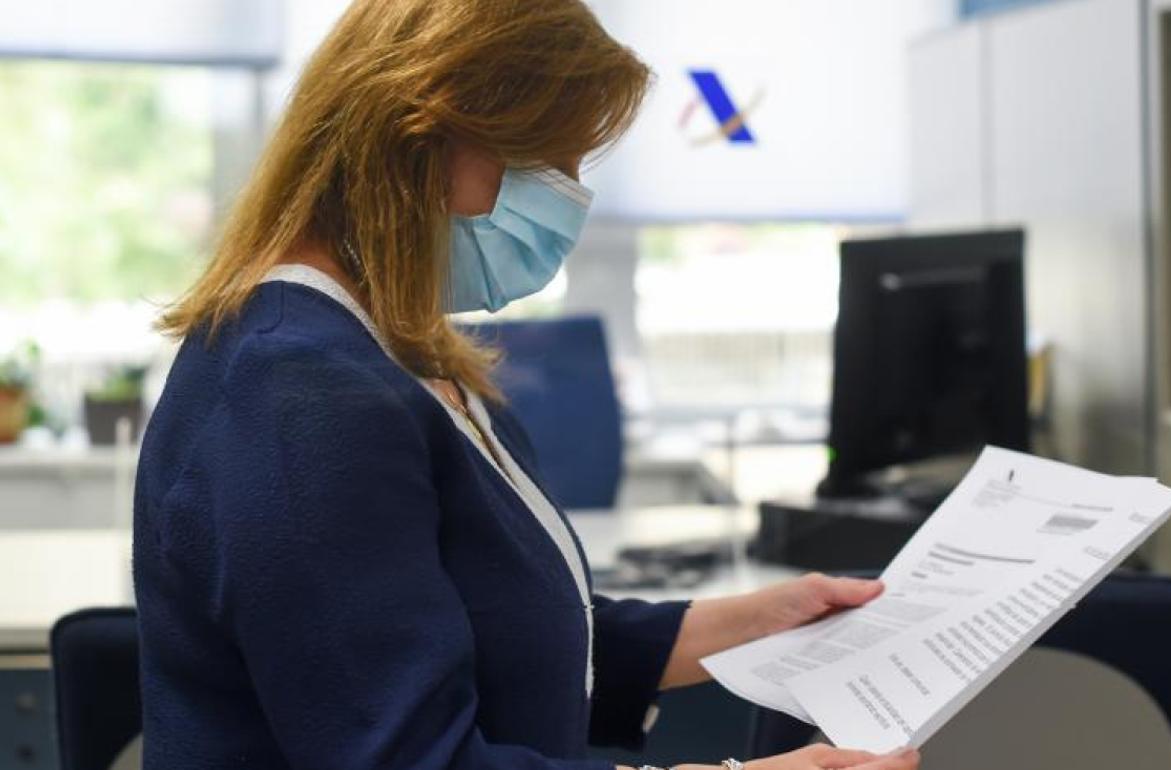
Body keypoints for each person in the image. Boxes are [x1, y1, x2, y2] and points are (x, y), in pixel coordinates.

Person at [134, 2, 922, 769]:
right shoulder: (297, 391)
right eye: (553, 163)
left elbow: (506, 632)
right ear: (423, 138)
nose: (571, 199)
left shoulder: (404, 356)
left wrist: (763, 622)